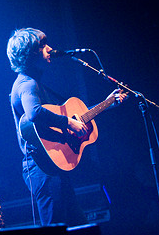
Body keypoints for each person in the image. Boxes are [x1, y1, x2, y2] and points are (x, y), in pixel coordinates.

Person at [7, 28, 125, 227]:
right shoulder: (27, 84)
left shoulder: (34, 83)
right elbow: (34, 113)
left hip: (52, 166)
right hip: (42, 169)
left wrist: (106, 104)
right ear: (30, 54)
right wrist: (69, 122)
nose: (50, 49)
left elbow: (75, 116)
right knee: (56, 226)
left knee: (77, 225)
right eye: (43, 46)